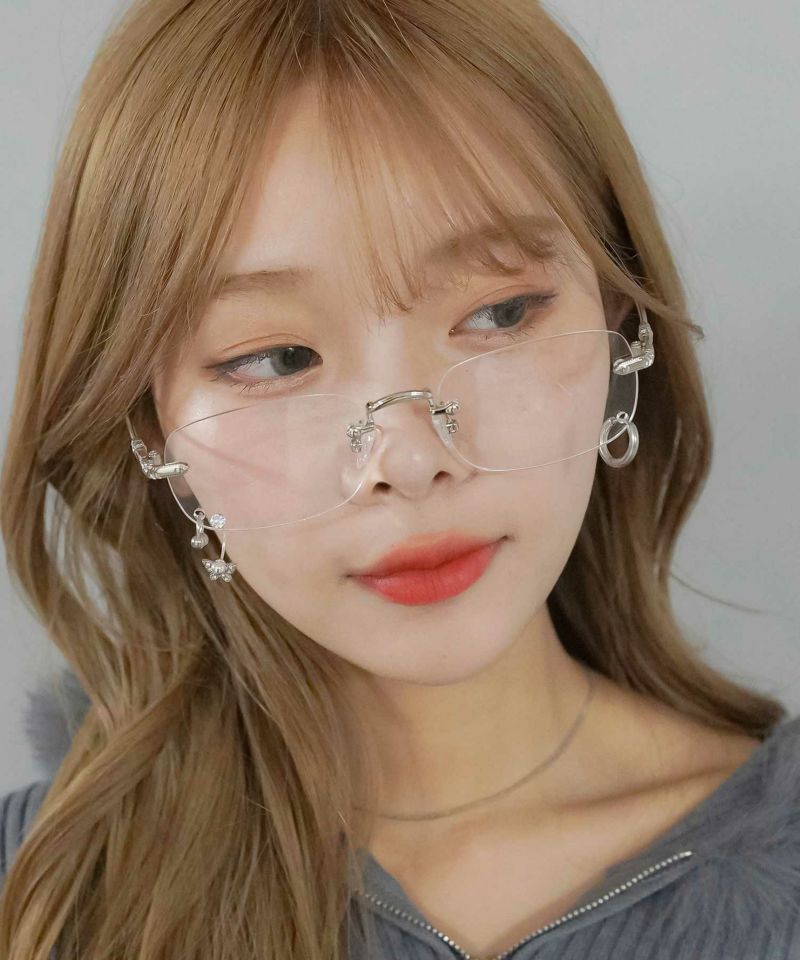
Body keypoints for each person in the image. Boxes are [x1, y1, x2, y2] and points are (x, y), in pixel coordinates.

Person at [1, 1, 798, 958]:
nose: (413, 460)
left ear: (623, 327)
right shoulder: (43, 897)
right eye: (277, 359)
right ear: (150, 429)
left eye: (501, 313)